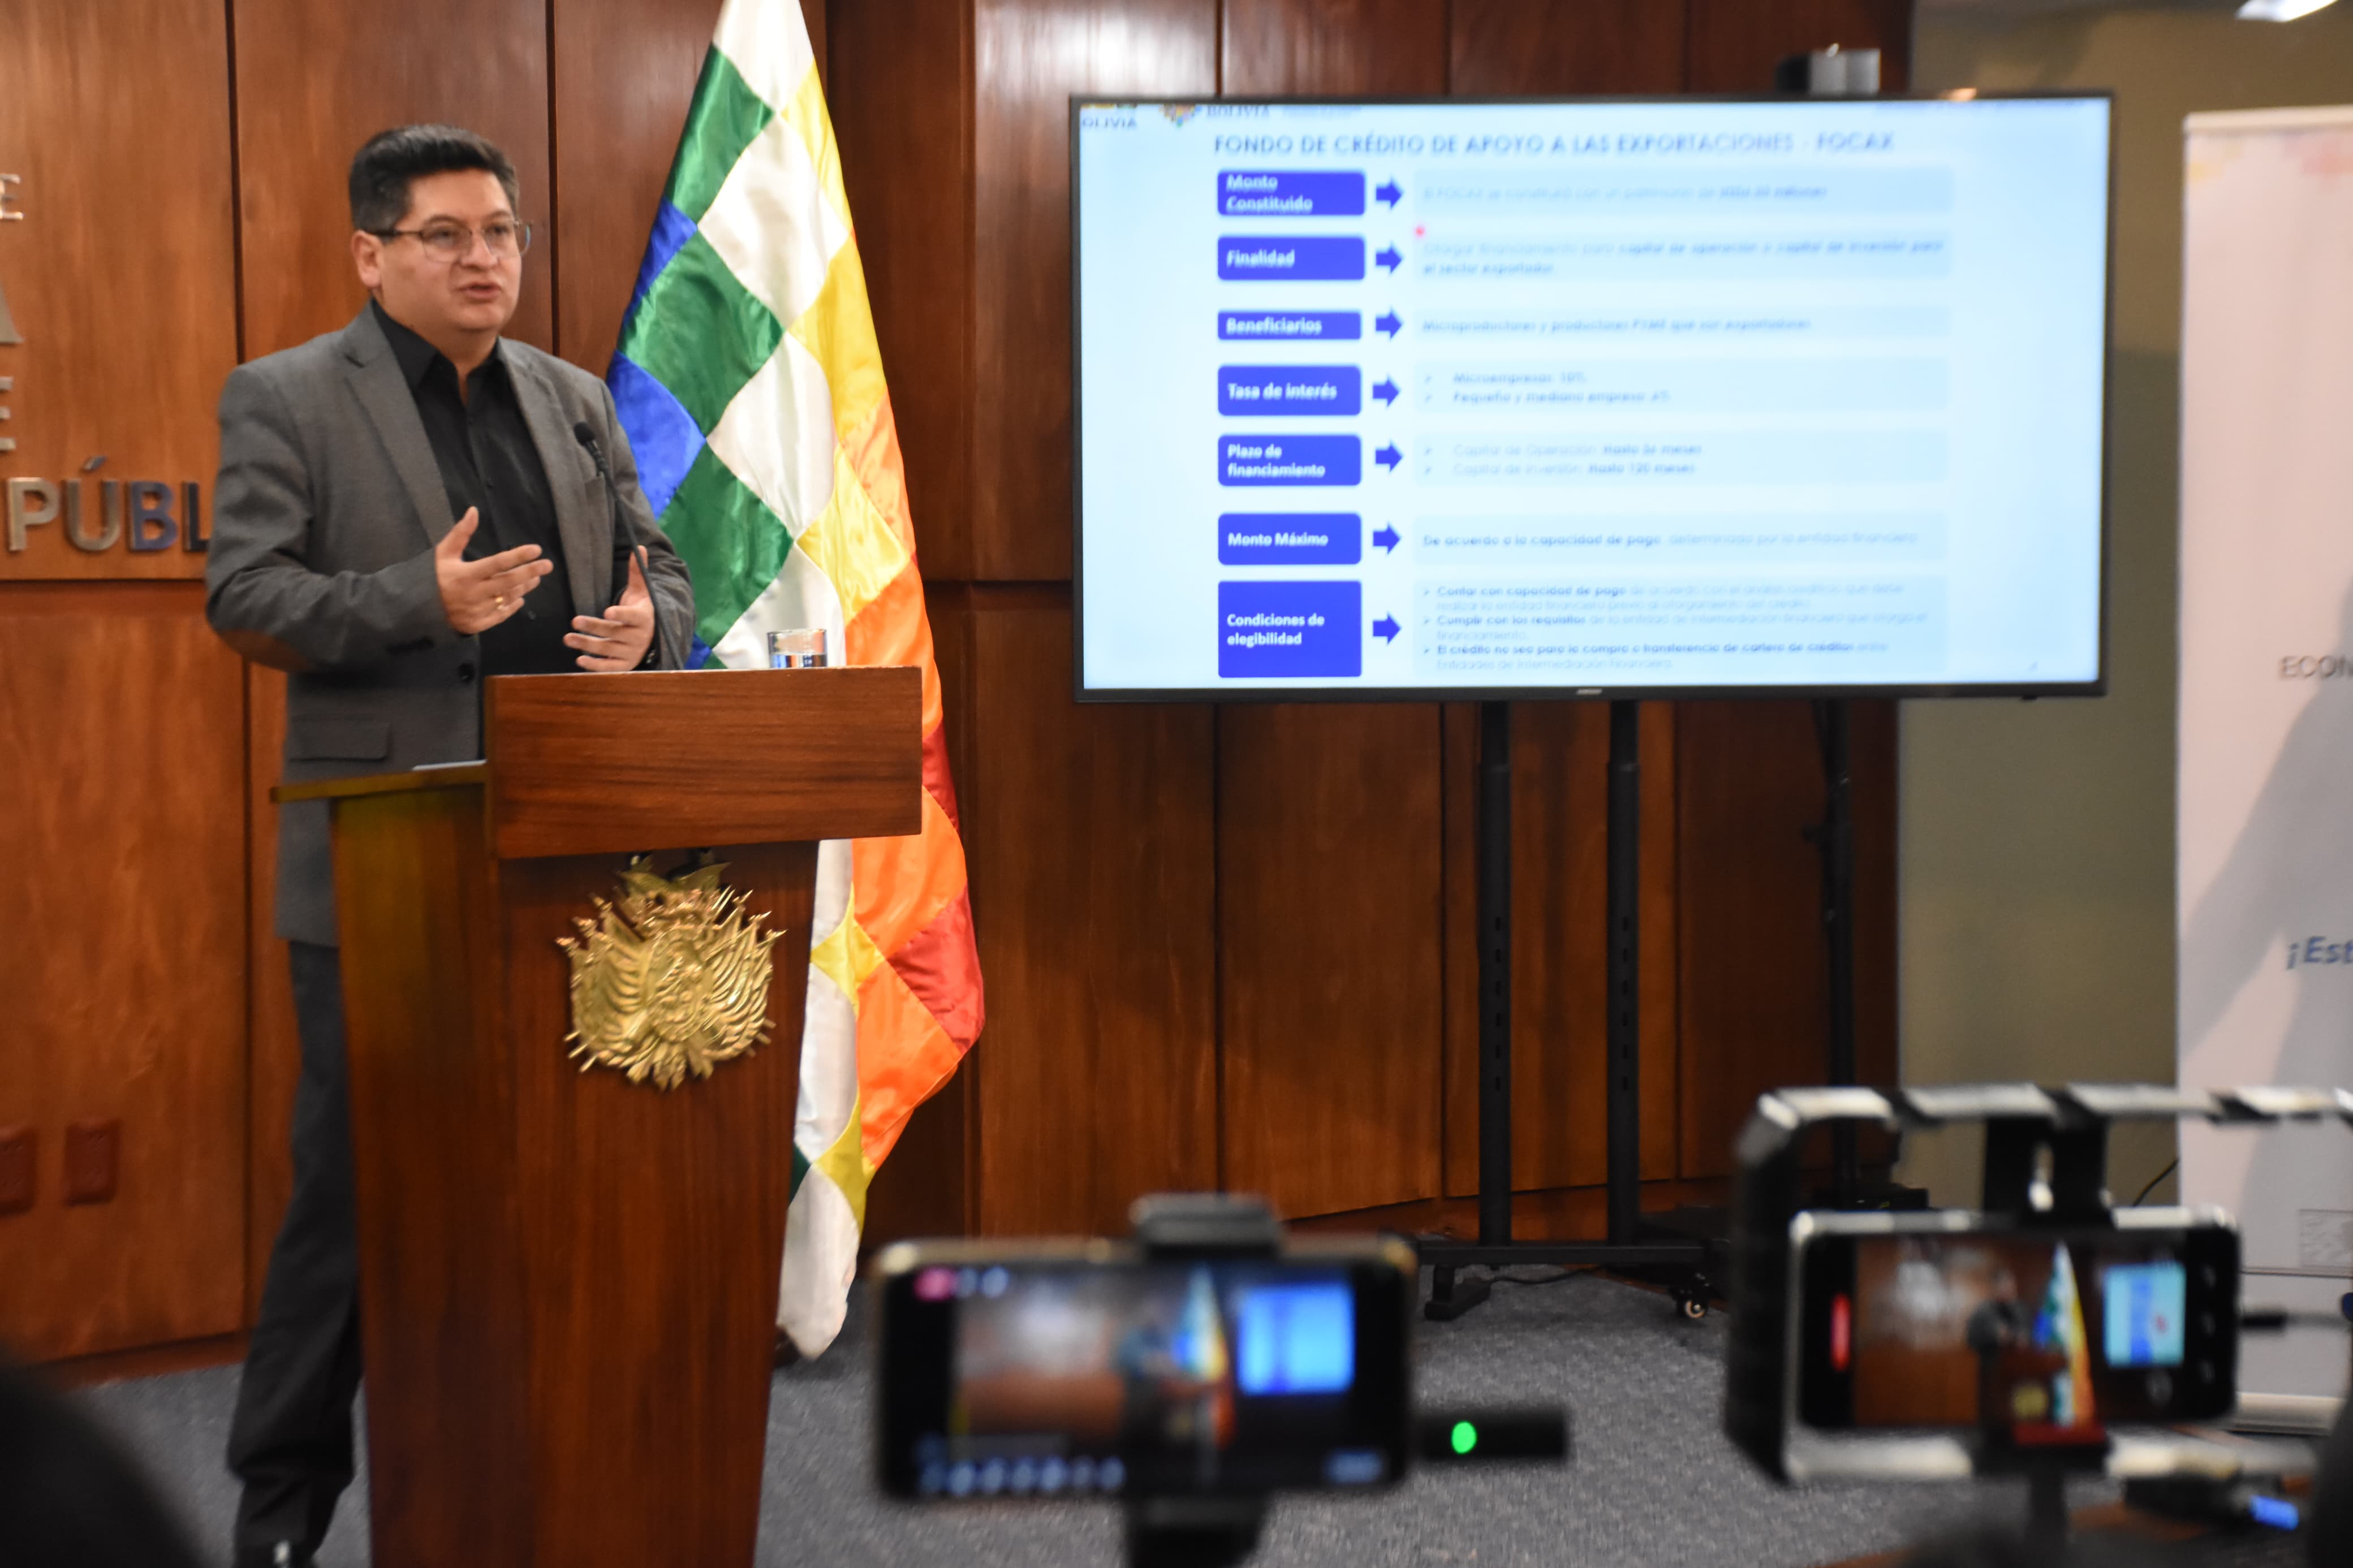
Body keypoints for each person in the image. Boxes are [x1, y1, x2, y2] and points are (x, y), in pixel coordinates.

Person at [204, 124, 695, 1568]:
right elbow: (245, 595)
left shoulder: (573, 398)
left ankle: (540, 1491)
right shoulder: (288, 395)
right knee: (353, 1202)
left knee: (555, 1195)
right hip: (389, 875)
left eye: (502, 233)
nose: (485, 259)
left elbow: (659, 561)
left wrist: (648, 624)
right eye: (447, 236)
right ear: (372, 254)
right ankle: (280, 1514)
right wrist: (415, 600)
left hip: (573, 862)